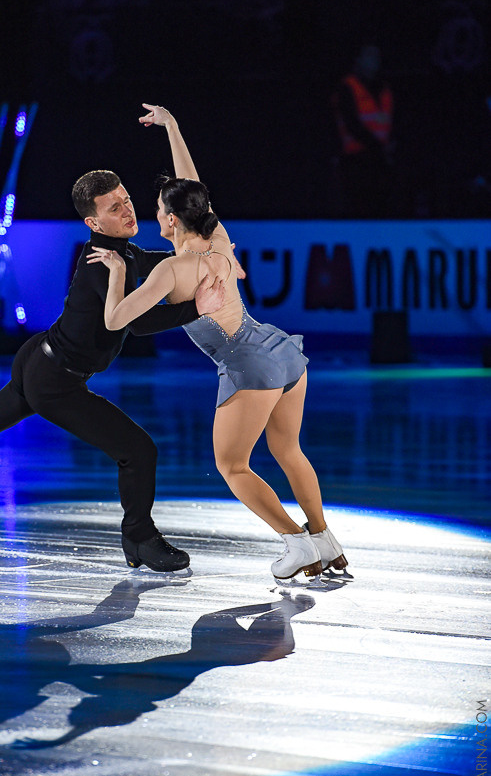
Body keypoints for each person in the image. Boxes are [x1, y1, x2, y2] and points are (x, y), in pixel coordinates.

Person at [0, 170, 225, 572]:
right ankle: (139, 537)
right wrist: (196, 307)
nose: (127, 210)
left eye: (125, 199)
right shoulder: (101, 264)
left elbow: (150, 263)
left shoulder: (120, 252)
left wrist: (194, 258)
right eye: (114, 207)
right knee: (138, 451)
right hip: (57, 381)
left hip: (40, 358)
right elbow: (132, 321)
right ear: (92, 223)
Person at [87, 104, 348, 582]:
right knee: (288, 450)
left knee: (232, 466)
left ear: (168, 219)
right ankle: (324, 537)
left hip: (248, 366)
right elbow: (193, 188)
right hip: (280, 352)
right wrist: (173, 127)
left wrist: (120, 271)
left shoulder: (172, 269)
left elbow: (114, 320)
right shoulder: (219, 236)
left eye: (158, 209)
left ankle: (298, 544)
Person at [332, 44, 395, 218]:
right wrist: (378, 147)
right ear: (357, 59)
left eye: (376, 55)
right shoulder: (347, 88)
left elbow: (393, 123)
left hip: (381, 165)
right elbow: (352, 125)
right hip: (355, 164)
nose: (374, 60)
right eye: (369, 55)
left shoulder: (385, 90)